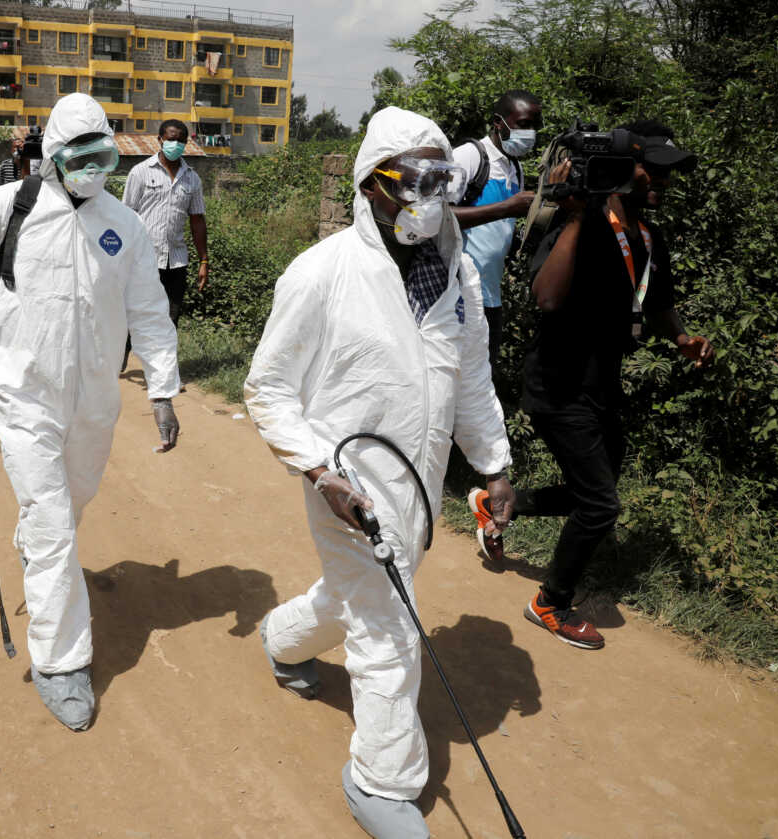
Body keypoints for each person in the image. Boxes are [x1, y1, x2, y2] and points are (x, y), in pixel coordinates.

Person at [243, 106, 514, 839]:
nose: (430, 196)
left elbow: (471, 378)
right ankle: (382, 780)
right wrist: (316, 468)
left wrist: (493, 463)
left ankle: (282, 638)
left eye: (441, 179)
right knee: (391, 623)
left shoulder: (455, 273)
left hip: (421, 481)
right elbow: (266, 388)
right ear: (372, 185)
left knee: (359, 598)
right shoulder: (321, 273)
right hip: (348, 485)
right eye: (415, 180)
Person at [0, 93, 181, 732]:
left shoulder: (123, 224)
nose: (94, 168)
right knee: (50, 521)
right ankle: (61, 658)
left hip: (95, 396)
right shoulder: (3, 210)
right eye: (81, 157)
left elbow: (150, 312)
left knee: (70, 503)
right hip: (22, 390)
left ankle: (43, 553)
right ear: (52, 155)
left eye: (103, 155)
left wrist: (162, 388)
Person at [468, 120, 712, 651]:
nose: (662, 182)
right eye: (654, 170)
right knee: (601, 505)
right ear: (626, 168)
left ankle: (499, 506)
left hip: (602, 384)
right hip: (558, 384)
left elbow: (658, 297)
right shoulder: (576, 221)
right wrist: (576, 213)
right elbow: (548, 299)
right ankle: (550, 602)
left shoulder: (648, 235)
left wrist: (681, 337)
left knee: (590, 493)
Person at [451, 90, 541, 367]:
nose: (530, 133)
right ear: (498, 123)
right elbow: (435, 217)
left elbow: (497, 231)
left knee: (482, 380)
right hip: (458, 296)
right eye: (523, 124)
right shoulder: (469, 157)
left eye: (534, 126)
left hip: (490, 296)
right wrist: (507, 208)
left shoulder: (515, 168)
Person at [122, 119, 209, 327]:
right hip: (143, 260)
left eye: (181, 141)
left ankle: (163, 360)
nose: (176, 144)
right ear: (160, 140)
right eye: (171, 139)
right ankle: (128, 358)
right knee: (135, 320)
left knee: (170, 322)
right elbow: (126, 216)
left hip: (176, 262)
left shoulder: (192, 179)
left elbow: (197, 220)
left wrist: (204, 261)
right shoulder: (140, 172)